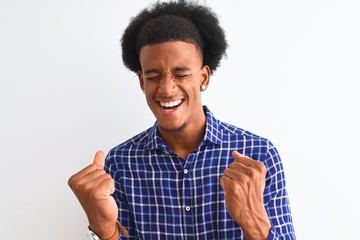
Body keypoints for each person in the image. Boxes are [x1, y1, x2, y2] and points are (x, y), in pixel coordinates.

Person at [68, 1, 296, 239]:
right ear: (141, 82)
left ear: (203, 77)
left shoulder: (258, 155)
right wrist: (103, 230)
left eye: (181, 74)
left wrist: (254, 224)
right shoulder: (120, 164)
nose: (166, 89)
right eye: (153, 76)